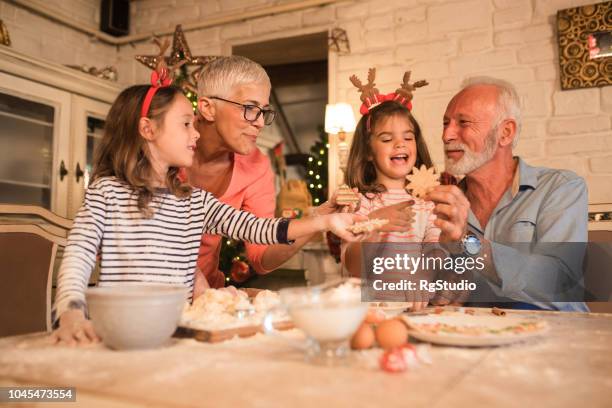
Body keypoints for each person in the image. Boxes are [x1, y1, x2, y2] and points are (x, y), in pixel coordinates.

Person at [51, 81, 365, 345]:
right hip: (120, 334)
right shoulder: (107, 192)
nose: (196, 133)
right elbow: (78, 254)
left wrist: (324, 220)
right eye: (185, 124)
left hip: (176, 336)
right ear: (147, 128)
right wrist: (71, 312)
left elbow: (257, 228)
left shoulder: (195, 201)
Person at [424, 76, 588, 311]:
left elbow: (558, 281)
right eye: (445, 123)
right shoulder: (441, 204)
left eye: (463, 123)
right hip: (474, 334)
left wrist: (468, 243)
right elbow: (442, 295)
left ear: (505, 133)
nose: (446, 135)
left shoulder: (561, 188)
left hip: (555, 335)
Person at [187, 56, 344, 293]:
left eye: (264, 111)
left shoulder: (257, 166)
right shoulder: (163, 152)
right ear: (208, 108)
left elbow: (262, 252)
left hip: (206, 295)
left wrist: (317, 220)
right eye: (250, 109)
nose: (261, 122)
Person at [341, 73, 441, 309]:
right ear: (367, 151)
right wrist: (372, 228)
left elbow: (436, 251)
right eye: (387, 139)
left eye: (408, 137)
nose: (400, 144)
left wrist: (425, 277)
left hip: (415, 307)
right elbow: (352, 265)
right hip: (369, 309)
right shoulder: (360, 203)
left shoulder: (426, 202)